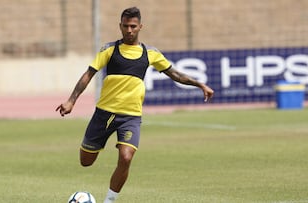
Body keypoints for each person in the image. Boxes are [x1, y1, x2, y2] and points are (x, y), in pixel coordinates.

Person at [56, 7, 214, 203]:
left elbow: (176, 74)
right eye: (125, 26)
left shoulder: (150, 53)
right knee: (86, 161)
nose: (129, 30)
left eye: (133, 26)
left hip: (130, 117)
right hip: (103, 114)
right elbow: (89, 74)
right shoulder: (109, 49)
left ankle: (109, 201)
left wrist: (200, 84)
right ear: (120, 26)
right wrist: (71, 100)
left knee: (126, 156)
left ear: (140, 26)